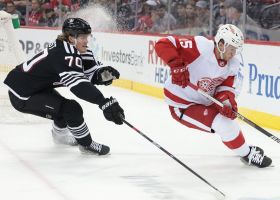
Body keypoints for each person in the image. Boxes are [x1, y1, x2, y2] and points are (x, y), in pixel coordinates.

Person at [155, 24, 272, 168]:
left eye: (236, 49)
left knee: (228, 122)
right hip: (183, 104)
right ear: (221, 43)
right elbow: (163, 43)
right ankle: (247, 154)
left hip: (205, 99)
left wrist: (226, 104)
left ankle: (240, 147)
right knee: (224, 125)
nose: (234, 53)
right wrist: (175, 64)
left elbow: (224, 89)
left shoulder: (233, 64)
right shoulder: (201, 46)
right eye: (232, 48)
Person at [4, 18, 125, 155]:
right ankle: (86, 145)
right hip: (22, 94)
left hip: (37, 87)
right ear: (71, 37)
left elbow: (89, 74)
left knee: (61, 109)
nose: (86, 41)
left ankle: (60, 137)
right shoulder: (64, 54)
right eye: (82, 37)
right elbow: (78, 85)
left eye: (87, 36)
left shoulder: (76, 49)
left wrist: (102, 74)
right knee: (72, 109)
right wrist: (103, 102)